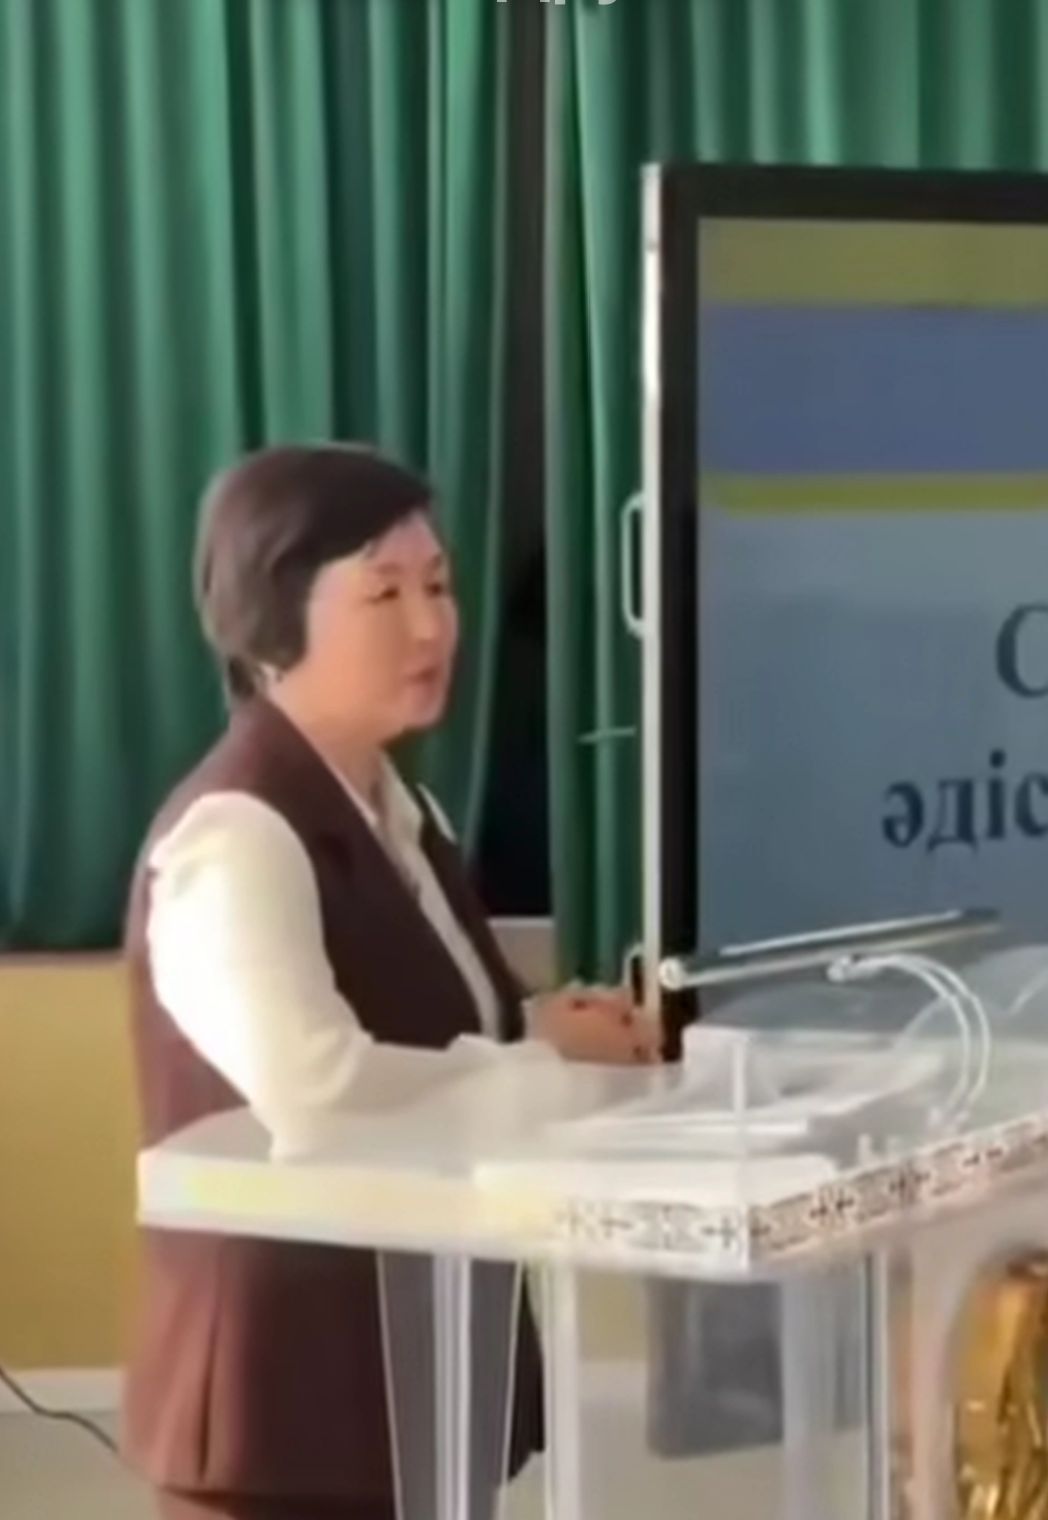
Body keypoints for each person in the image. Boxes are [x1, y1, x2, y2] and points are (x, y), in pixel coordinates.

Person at [122, 443, 661, 1520]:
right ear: (270, 622)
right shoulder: (238, 832)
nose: (430, 626)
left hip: (423, 1372)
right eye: (384, 594)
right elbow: (319, 1093)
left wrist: (545, 1024)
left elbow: (439, 1029)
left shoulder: (399, 811)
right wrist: (546, 1067)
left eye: (440, 585)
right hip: (291, 1403)